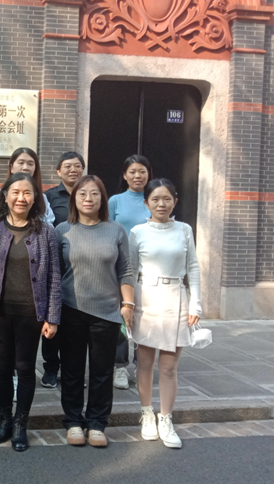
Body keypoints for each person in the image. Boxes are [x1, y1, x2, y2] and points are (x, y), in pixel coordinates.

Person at [0, 173, 62, 451]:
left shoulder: (45, 231)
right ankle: (4, 421)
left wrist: (52, 317)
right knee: (2, 369)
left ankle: (20, 424)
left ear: (35, 198)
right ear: (5, 195)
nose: (21, 198)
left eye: (27, 193)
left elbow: (54, 276)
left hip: (31, 313)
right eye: (15, 192)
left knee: (25, 369)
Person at [55, 175, 134, 448]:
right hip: (71, 310)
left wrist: (128, 305)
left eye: (94, 194)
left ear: (103, 198)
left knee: (102, 372)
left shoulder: (116, 231)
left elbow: (125, 270)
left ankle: (97, 423)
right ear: (74, 198)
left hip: (107, 312)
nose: (88, 199)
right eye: (82, 194)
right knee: (72, 370)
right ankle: (73, 421)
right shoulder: (62, 230)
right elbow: (55, 274)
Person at [129, 179, 201, 449]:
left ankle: (166, 418)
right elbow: (130, 271)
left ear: (175, 201)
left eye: (167, 199)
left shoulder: (184, 230)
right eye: (155, 199)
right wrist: (128, 305)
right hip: (146, 298)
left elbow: (193, 267)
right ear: (146, 203)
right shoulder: (137, 232)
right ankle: (147, 413)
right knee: (145, 364)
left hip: (176, 298)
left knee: (169, 367)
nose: (161, 204)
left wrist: (196, 304)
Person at [108, 155, 154, 390]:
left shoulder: (153, 199)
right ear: (125, 175)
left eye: (142, 171)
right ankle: (120, 366)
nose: (138, 176)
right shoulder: (115, 201)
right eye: (133, 171)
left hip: (149, 270)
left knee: (145, 318)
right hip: (120, 268)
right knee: (120, 317)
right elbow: (106, 231)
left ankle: (142, 364)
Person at [40, 151, 85, 389]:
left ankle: (72, 370)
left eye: (77, 166)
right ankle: (50, 368)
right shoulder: (49, 196)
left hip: (82, 264)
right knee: (53, 316)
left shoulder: (88, 194)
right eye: (68, 166)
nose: (73, 170)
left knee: (76, 324)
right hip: (56, 263)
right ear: (59, 171)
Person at [0, 148, 55, 226]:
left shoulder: (42, 198)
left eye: (30, 164)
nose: (25, 167)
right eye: (21, 163)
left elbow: (49, 223)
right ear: (11, 168)